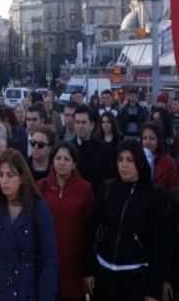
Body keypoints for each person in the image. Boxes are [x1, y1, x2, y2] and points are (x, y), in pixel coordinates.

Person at [82, 140, 167, 301]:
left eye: (129, 160)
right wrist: (88, 270)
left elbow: (158, 245)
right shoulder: (107, 188)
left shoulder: (152, 196)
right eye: (120, 160)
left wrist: (153, 290)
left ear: (140, 163)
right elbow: (91, 228)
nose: (124, 165)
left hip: (135, 276)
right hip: (104, 272)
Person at [0, 149, 58, 301]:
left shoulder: (39, 210)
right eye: (0, 175)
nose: (4, 180)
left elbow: (49, 262)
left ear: (21, 178)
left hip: (25, 291)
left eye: (10, 175)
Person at [36, 141, 93, 301]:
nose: (61, 162)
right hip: (45, 266)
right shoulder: (41, 187)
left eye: (66, 159)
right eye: (58, 158)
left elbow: (90, 231)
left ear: (74, 164)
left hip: (73, 268)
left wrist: (88, 269)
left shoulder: (85, 189)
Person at [140, 121, 179, 190]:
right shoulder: (136, 160)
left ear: (159, 140)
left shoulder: (168, 163)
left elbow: (175, 191)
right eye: (145, 138)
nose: (147, 142)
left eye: (152, 138)